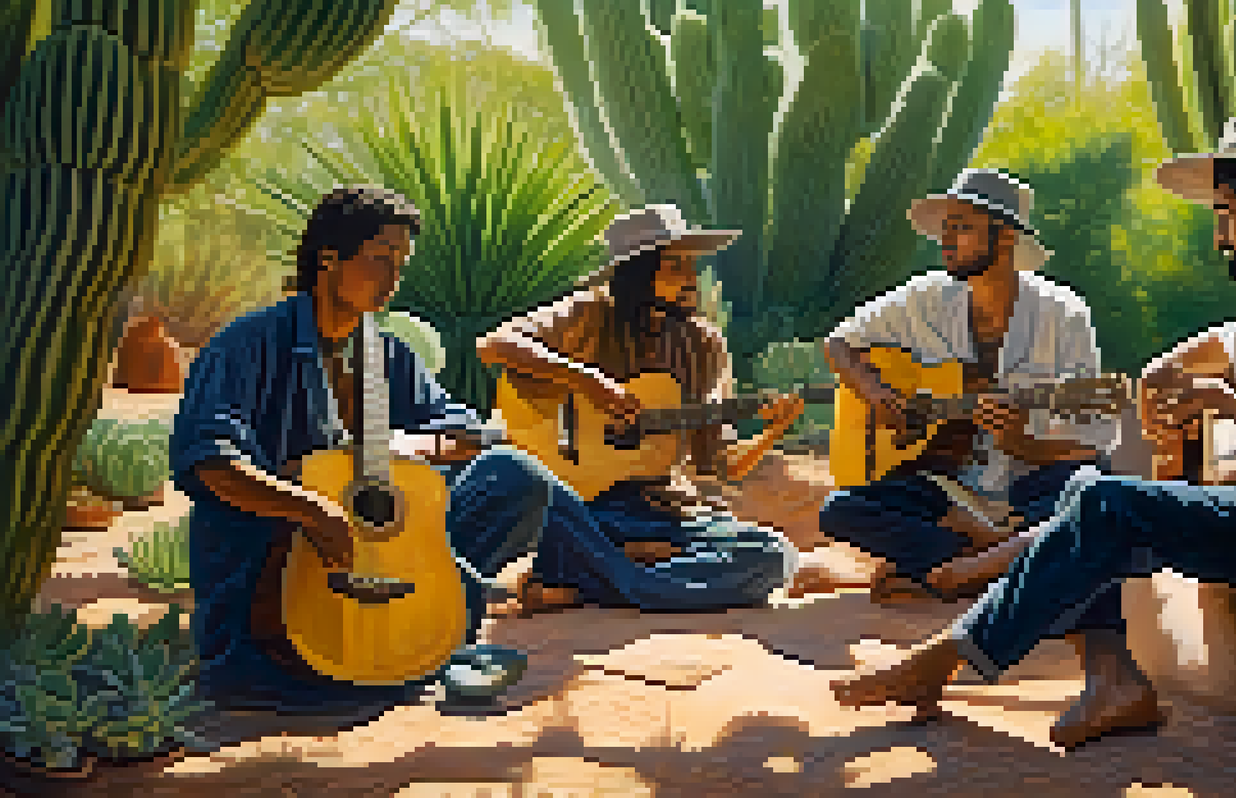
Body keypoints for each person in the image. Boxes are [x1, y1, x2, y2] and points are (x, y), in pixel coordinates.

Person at [829, 117, 1236, 751]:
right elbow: (1233, 343)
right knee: (1105, 507)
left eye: (1223, 215)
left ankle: (945, 661)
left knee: (1109, 502)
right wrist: (1170, 369)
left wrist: (1193, 486)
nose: (1219, 237)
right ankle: (1109, 679)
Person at [171, 186, 538, 714]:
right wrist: (308, 506)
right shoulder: (248, 344)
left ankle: (430, 624)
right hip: (272, 564)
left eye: (401, 266)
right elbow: (210, 463)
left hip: (377, 548)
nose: (392, 281)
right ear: (328, 260)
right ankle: (306, 653)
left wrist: (398, 445)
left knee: (512, 475)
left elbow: (466, 432)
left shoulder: (386, 354)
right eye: (379, 261)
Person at [473, 204, 804, 614]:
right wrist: (587, 381)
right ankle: (626, 571)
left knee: (772, 556)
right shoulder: (588, 314)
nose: (689, 278)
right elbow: (495, 345)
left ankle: (600, 576)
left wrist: (774, 430)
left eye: (690, 265)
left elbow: (721, 466)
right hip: (580, 505)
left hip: (660, 511)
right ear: (636, 273)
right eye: (673, 266)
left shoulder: (703, 345)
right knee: (554, 520)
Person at [820, 168, 1119, 605]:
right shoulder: (923, 298)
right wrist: (875, 393)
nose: (946, 239)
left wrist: (1023, 444)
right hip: (949, 488)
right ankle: (998, 561)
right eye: (946, 228)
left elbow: (1092, 442)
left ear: (1004, 239)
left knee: (1092, 489)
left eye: (961, 227)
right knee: (842, 511)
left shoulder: (1064, 313)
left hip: (1030, 483)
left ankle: (956, 564)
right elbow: (840, 342)